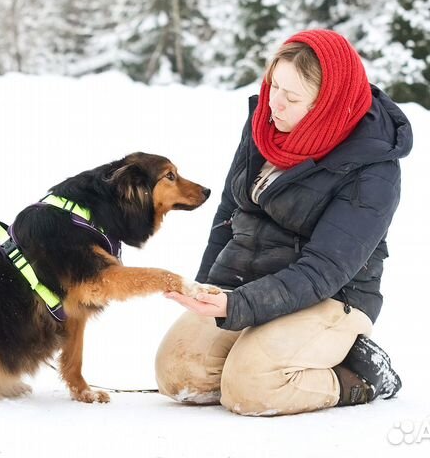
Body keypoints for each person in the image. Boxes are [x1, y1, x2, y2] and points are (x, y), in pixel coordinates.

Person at [155, 29, 412, 416]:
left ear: (327, 104)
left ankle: (358, 374)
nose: (274, 103)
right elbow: (229, 212)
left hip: (330, 297)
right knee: (179, 374)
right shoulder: (264, 127)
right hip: (250, 285)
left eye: (292, 97)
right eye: (274, 85)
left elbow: (323, 269)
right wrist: (207, 289)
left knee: (251, 387)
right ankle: (263, 347)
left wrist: (236, 305)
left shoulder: (373, 170)